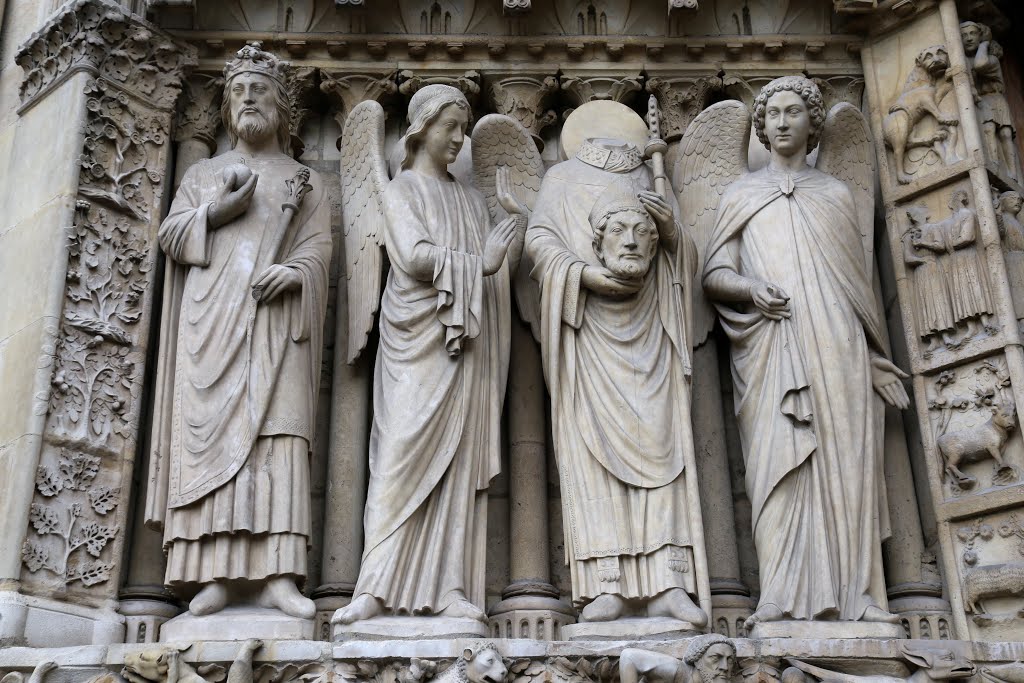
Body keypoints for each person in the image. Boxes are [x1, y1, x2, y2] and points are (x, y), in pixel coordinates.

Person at [702, 76, 909, 628]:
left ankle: (861, 595)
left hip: (838, 344)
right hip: (772, 344)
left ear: (814, 125)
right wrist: (751, 289)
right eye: (774, 114)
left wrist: (869, 357)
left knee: (850, 465)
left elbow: (857, 289)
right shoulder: (740, 195)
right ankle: (780, 593)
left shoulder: (836, 195)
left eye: (796, 112)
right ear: (762, 127)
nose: (784, 121)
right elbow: (715, 274)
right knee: (776, 466)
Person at [146, 43, 331, 618]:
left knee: (280, 437)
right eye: (238, 91)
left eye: (261, 89)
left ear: (282, 106)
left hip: (277, 328)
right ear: (225, 107)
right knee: (212, 444)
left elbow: (322, 251)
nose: (249, 98)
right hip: (210, 328)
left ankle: (278, 576)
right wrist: (216, 213)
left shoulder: (306, 181)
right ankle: (213, 574)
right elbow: (171, 237)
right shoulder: (202, 174)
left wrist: (295, 273)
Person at [333, 85, 518, 625]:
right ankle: (373, 586)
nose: (460, 138)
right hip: (413, 341)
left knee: (455, 463)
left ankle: (451, 587)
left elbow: (489, 274)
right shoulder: (401, 190)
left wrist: (508, 232)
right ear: (420, 129)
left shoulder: (466, 199)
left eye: (464, 128)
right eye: (451, 127)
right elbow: (413, 257)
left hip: (462, 348)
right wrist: (480, 263)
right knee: (398, 458)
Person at [526, 136, 707, 626]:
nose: (629, 239)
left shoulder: (653, 175)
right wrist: (583, 274)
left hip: (653, 331)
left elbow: (687, 266)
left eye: (638, 231)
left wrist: (670, 231)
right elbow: (539, 242)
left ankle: (669, 581)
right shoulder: (560, 179)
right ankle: (606, 584)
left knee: (664, 449)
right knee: (592, 455)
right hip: (589, 335)